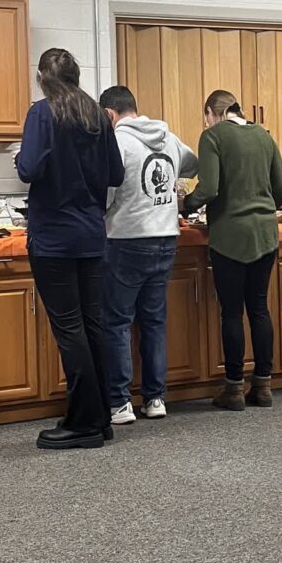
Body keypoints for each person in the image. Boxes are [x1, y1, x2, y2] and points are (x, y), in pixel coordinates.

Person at [17, 49, 124, 451]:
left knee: (69, 329)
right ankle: (101, 417)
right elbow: (116, 172)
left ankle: (82, 422)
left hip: (53, 237)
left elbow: (28, 169)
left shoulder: (42, 114)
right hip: (91, 235)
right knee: (91, 325)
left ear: (43, 77)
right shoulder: (98, 115)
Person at [182, 90, 282, 411]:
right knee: (259, 308)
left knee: (231, 312)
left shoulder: (212, 136)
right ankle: (264, 385)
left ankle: (233, 388)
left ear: (212, 114)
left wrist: (186, 205)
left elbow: (210, 187)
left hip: (229, 237)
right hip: (265, 236)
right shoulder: (265, 137)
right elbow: (281, 189)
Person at [98, 85, 198, 425]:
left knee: (117, 322)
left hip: (127, 238)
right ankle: (155, 398)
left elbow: (106, 196)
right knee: (154, 321)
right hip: (167, 236)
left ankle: (120, 402)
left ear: (110, 114)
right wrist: (171, 186)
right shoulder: (167, 135)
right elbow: (194, 163)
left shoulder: (118, 142)